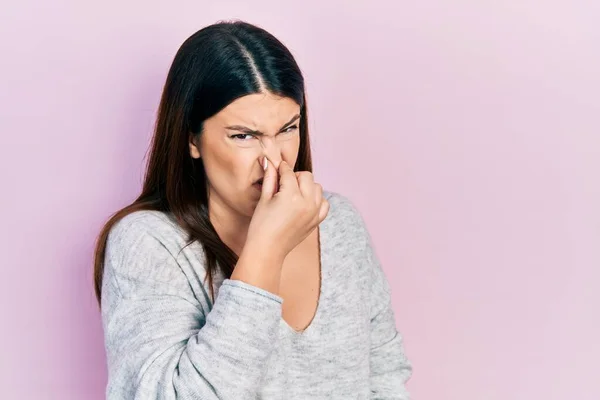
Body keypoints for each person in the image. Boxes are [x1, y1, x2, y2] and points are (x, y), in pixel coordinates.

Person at [93, 20, 412, 399]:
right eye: (244, 136)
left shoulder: (338, 221)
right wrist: (266, 251)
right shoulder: (149, 243)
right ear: (192, 139)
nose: (274, 160)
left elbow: (386, 375)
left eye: (288, 129)